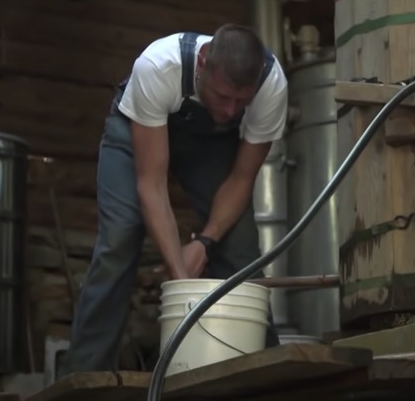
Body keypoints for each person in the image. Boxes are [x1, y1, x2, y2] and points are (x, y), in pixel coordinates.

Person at [56, 23, 288, 378]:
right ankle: (84, 375)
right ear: (203, 63)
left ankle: (264, 378)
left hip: (208, 144)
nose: (230, 111)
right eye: (222, 96)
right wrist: (182, 283)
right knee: (118, 242)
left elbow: (242, 178)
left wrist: (205, 242)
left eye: (241, 102)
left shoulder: (272, 86)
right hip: (136, 132)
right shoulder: (157, 66)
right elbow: (152, 184)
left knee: (240, 251)